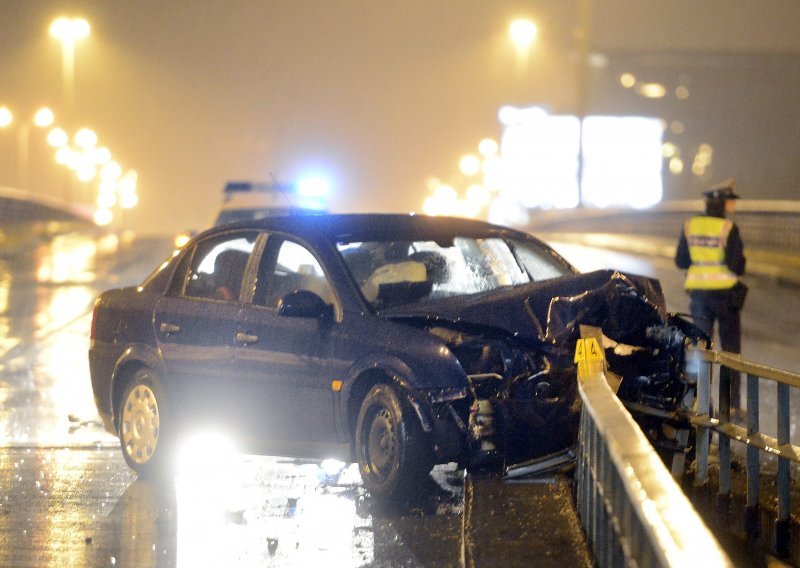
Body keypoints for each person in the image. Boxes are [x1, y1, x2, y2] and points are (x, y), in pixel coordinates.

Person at [675, 179, 747, 412]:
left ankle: (703, 403)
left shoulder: (690, 226)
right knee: (730, 352)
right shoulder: (728, 228)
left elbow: (681, 260)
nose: (733, 206)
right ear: (723, 203)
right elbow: (736, 265)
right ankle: (731, 405)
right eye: (731, 201)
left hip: (699, 298)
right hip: (726, 298)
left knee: (703, 349)